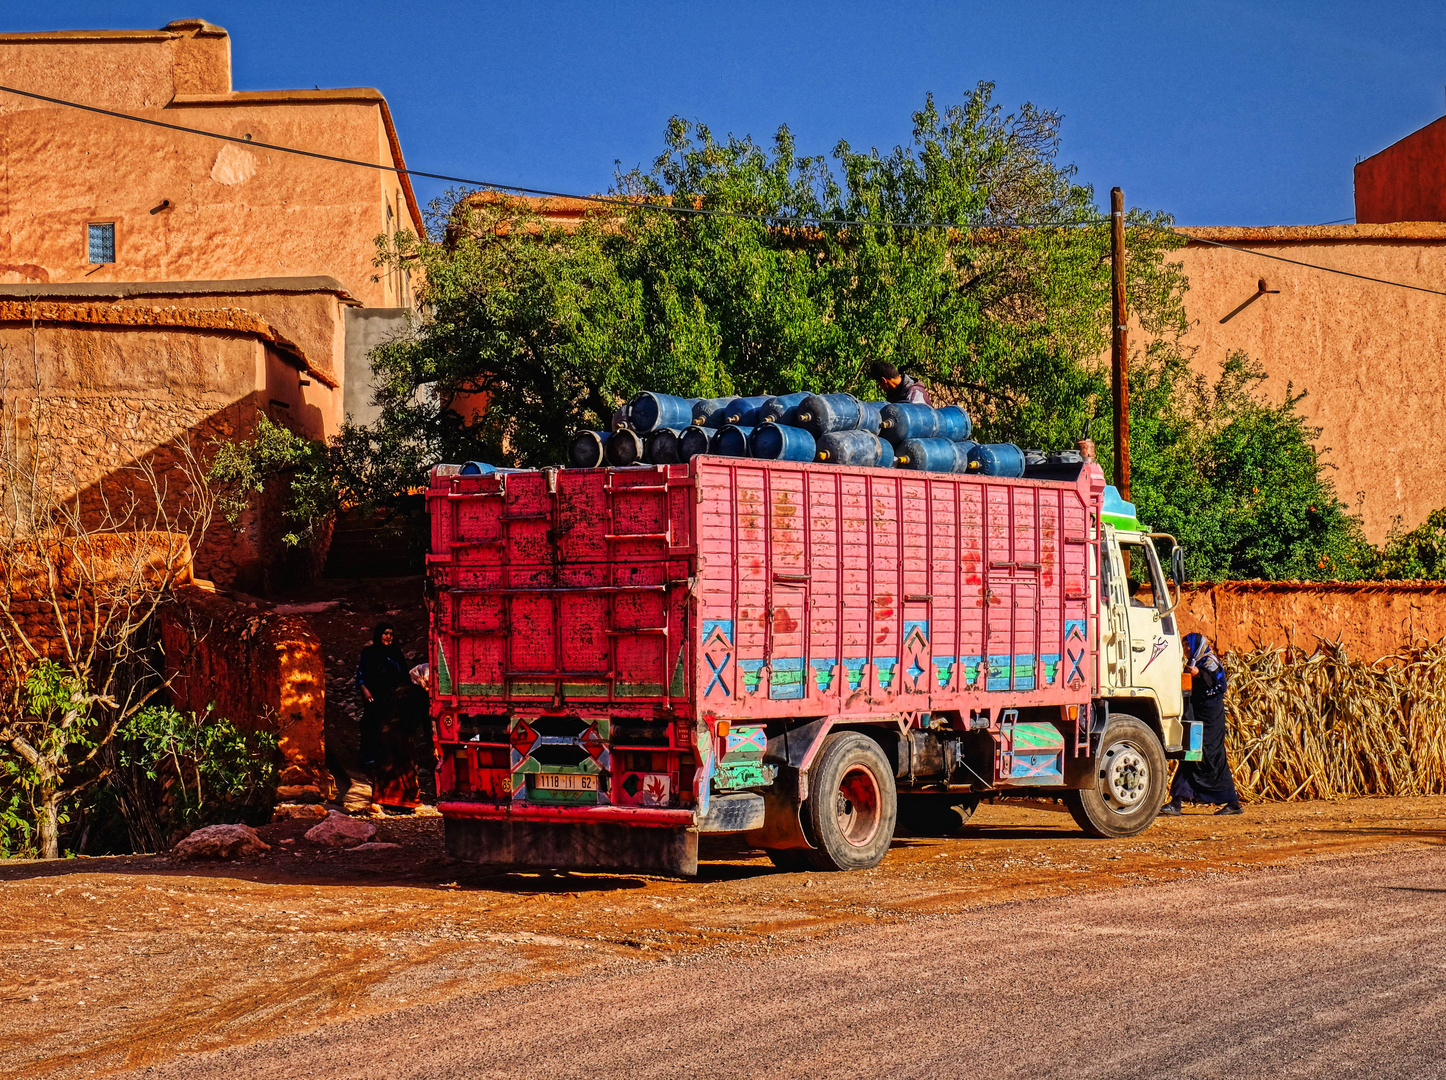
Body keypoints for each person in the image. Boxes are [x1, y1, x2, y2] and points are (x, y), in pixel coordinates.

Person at [1160, 631, 1242, 816]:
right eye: (1184, 646)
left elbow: (1220, 686)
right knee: (1191, 753)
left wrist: (1199, 675)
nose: (1186, 649)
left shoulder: (1209, 662)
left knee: (1212, 758)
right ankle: (1177, 801)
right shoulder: (1192, 663)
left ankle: (1233, 801)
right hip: (1197, 715)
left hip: (1211, 718)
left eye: (1188, 645)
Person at [354, 623, 422, 811]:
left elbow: (404, 677)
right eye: (385, 633)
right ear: (379, 635)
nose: (388, 637)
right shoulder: (369, 653)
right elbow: (361, 674)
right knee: (371, 726)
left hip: (394, 701)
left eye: (391, 634)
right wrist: (365, 690)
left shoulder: (395, 653)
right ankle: (368, 760)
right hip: (374, 697)